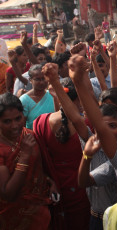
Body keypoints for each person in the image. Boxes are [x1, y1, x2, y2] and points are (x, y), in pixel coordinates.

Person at [34, 70, 91, 229]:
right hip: (83, 187)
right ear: (79, 99)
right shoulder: (87, 125)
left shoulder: (41, 122)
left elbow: (39, 158)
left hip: (55, 187)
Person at [0, 93, 57, 230]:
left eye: (18, 118)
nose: (14, 125)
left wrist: (50, 182)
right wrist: (25, 155)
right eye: (7, 121)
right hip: (12, 218)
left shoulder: (30, 136)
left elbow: (39, 168)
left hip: (39, 211)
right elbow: (8, 193)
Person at [19, 64, 56, 129]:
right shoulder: (24, 100)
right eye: (37, 79)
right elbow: (21, 125)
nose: (41, 82)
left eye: (43, 78)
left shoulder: (52, 95)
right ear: (30, 80)